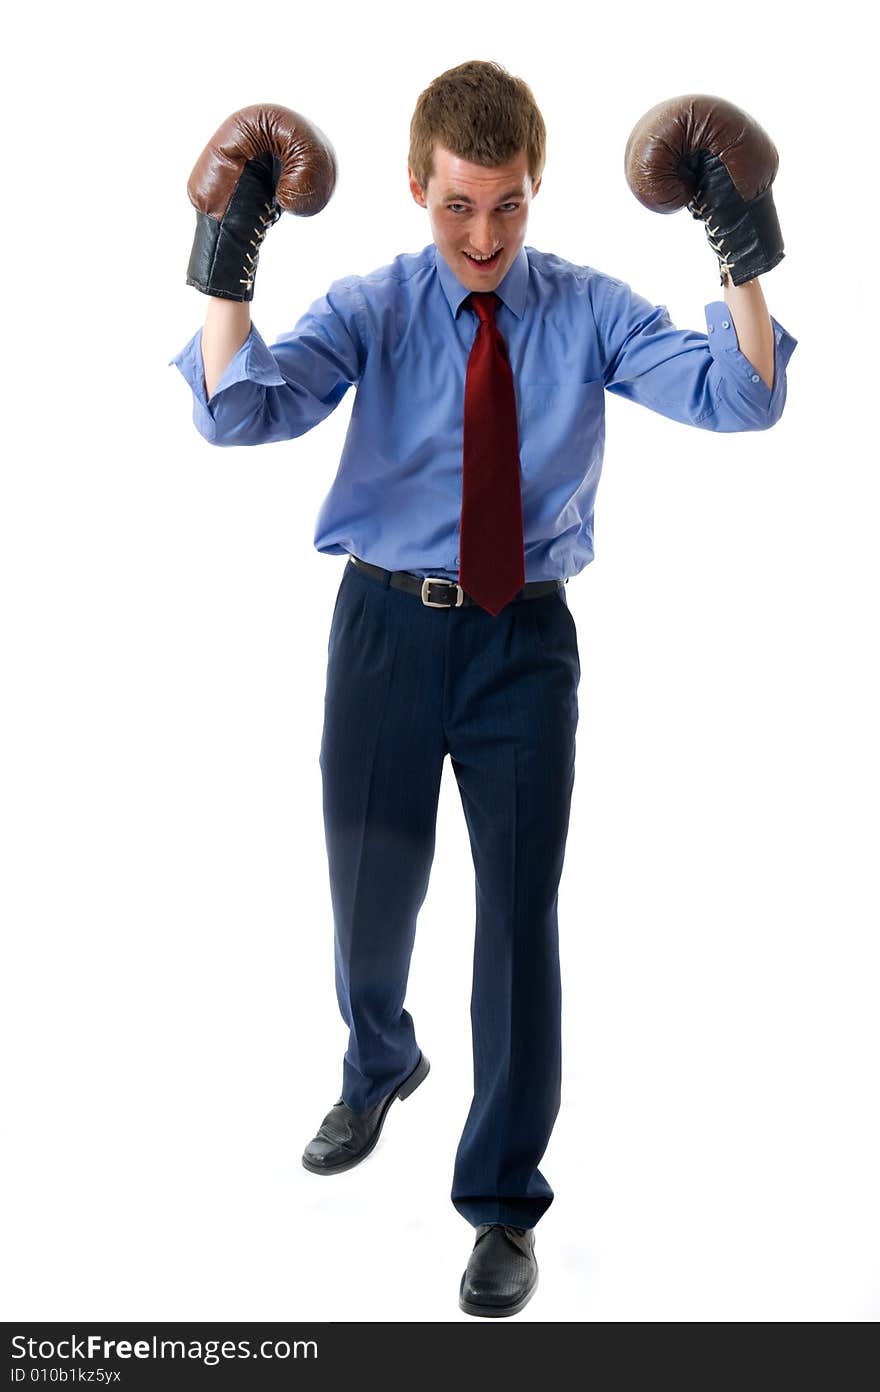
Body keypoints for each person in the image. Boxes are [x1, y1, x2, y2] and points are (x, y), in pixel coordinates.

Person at [169, 60, 798, 1319]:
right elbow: (237, 416)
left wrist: (739, 239)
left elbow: (745, 395)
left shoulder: (586, 309)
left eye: (506, 206)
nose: (484, 236)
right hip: (385, 635)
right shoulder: (375, 307)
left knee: (517, 924)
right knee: (369, 895)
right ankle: (378, 1060)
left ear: (533, 191)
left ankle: (502, 1199)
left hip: (524, 645)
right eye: (459, 206)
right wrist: (226, 250)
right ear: (418, 189)